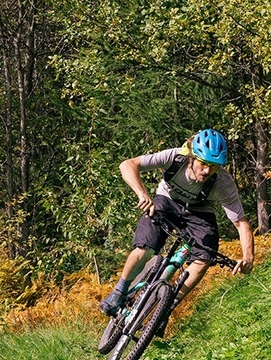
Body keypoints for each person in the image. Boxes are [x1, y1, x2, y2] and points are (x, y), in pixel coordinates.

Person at [99, 129, 255, 316]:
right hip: (167, 201)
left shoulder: (223, 182)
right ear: (192, 155)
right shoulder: (174, 157)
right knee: (145, 247)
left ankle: (165, 309)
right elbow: (128, 165)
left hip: (201, 213)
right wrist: (142, 193)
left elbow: (241, 223)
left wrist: (248, 257)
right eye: (203, 163)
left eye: (213, 166)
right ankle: (119, 291)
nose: (207, 171)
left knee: (205, 257)